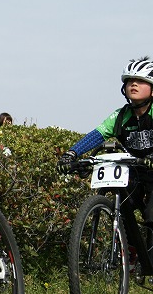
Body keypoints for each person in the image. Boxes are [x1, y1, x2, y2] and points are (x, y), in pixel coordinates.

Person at [57, 57, 153, 260]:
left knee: (152, 213)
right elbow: (96, 135)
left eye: (140, 80)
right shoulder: (120, 116)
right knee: (124, 206)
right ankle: (132, 254)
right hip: (135, 170)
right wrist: (71, 153)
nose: (133, 84)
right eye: (129, 80)